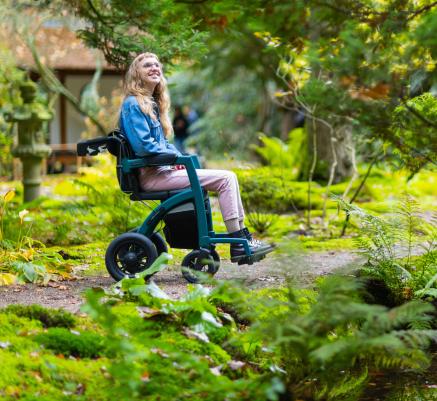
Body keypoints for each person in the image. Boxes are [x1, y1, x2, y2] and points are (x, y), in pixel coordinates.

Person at [118, 52, 272, 261]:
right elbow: (144, 146)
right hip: (152, 176)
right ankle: (238, 243)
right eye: (147, 65)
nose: (154, 68)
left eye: (156, 64)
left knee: (230, 177)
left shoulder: (150, 103)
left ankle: (243, 236)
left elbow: (158, 145)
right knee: (226, 179)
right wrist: (177, 156)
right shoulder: (133, 104)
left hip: (163, 171)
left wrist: (176, 159)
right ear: (137, 73)